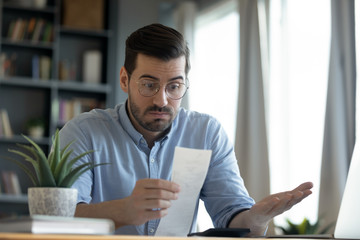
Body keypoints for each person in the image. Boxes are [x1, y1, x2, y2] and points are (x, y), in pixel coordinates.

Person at [59, 23, 313, 236]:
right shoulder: (82, 133)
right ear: (125, 79)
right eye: (149, 85)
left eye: (174, 86)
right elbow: (59, 216)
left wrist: (256, 220)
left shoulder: (206, 133)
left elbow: (232, 217)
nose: (162, 100)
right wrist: (125, 210)